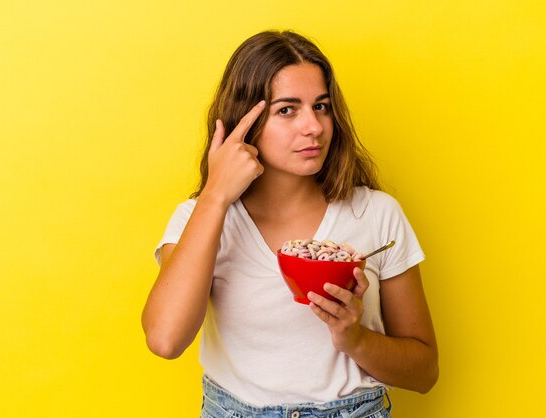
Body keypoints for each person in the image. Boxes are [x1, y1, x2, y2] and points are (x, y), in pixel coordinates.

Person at [142, 30, 438, 418]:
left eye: (321, 106)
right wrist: (215, 195)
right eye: (287, 110)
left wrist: (355, 338)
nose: (313, 127)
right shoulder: (197, 219)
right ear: (244, 121)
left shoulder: (376, 214)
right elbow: (165, 340)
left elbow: (424, 373)